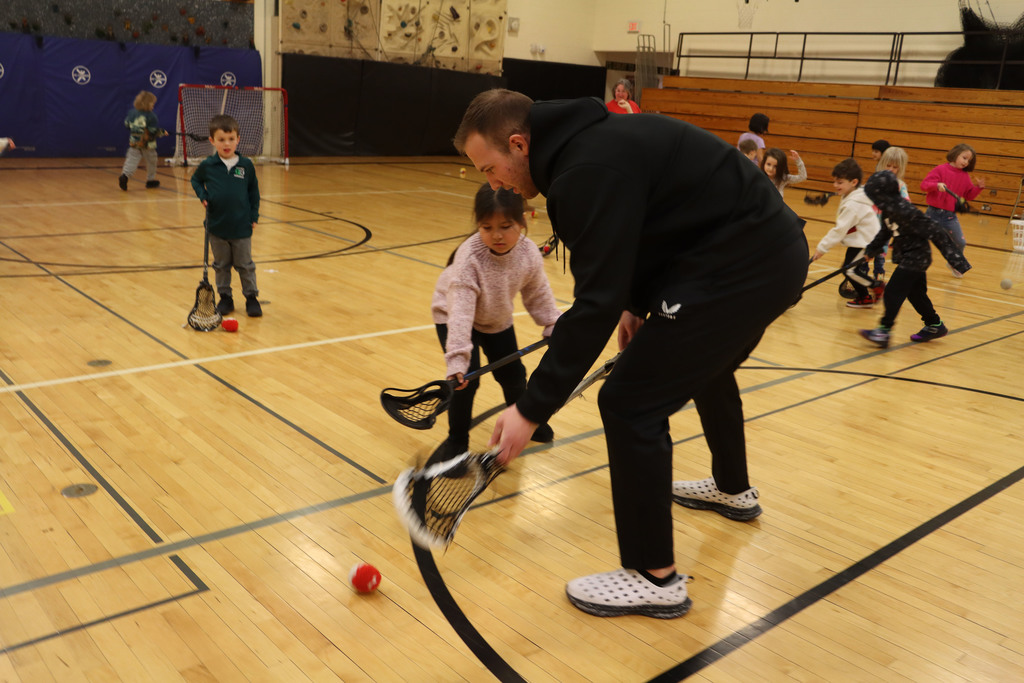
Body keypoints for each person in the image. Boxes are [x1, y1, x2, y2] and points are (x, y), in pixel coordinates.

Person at [454, 89, 808, 619]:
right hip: (753, 255)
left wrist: (531, 407)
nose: (493, 183)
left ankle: (653, 576)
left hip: (742, 265)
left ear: (519, 143)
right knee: (707, 370)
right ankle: (732, 489)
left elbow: (593, 303)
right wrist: (640, 304)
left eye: (490, 167)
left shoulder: (584, 170)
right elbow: (648, 232)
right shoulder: (591, 146)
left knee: (628, 402)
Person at [431, 183, 562, 457]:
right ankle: (456, 441)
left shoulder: (527, 254)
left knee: (514, 376)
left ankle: (526, 420)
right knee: (467, 381)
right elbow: (461, 313)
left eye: (505, 226)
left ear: (522, 220)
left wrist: (552, 322)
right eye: (486, 227)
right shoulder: (470, 259)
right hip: (452, 317)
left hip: (496, 317)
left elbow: (537, 292)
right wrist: (457, 360)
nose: (496, 236)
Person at [859, 171, 971, 348]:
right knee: (916, 294)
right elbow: (885, 232)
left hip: (916, 257)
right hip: (909, 256)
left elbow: (935, 231)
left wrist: (957, 259)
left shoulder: (905, 210)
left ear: (884, 194)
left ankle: (884, 331)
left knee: (892, 292)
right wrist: (870, 251)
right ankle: (935, 325)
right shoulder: (889, 210)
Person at [189, 114, 262, 317]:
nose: (227, 144)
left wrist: (254, 215)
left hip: (241, 227)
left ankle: (251, 298)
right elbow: (195, 180)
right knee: (221, 265)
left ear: (238, 139)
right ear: (212, 141)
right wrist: (203, 196)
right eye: (221, 140)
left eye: (231, 139)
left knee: (245, 265)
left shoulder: (245, 165)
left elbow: (253, 192)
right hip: (216, 226)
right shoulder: (208, 165)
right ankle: (225, 298)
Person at [811, 158, 880, 308]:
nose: (836, 185)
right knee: (849, 269)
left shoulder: (853, 204)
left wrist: (822, 248)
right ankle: (865, 298)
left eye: (840, 182)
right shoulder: (854, 194)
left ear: (854, 182)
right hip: (862, 240)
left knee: (849, 269)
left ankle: (875, 286)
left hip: (868, 241)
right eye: (835, 182)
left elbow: (839, 230)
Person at [920, 144, 985, 278]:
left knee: (961, 243)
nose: (966, 162)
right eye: (964, 158)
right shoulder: (940, 170)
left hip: (950, 216)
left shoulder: (965, 176)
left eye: (968, 160)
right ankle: (914, 265)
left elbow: (968, 196)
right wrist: (936, 186)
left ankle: (954, 263)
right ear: (955, 154)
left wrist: (978, 188)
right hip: (933, 213)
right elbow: (924, 185)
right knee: (920, 239)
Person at [868, 146, 911, 293]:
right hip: (869, 225)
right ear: (882, 164)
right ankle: (860, 280)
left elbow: (906, 202)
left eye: (895, 167)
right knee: (863, 255)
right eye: (888, 165)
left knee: (880, 256)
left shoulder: (900, 185)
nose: (891, 169)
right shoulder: (874, 181)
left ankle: (878, 281)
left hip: (885, 228)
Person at [119, 91, 166, 191]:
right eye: (152, 104)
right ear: (147, 104)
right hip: (147, 144)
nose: (153, 106)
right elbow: (152, 131)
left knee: (131, 160)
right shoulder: (151, 116)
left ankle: (125, 175)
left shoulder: (132, 113)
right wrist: (161, 132)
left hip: (134, 142)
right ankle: (150, 180)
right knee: (152, 160)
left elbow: (127, 124)